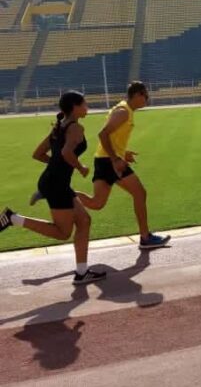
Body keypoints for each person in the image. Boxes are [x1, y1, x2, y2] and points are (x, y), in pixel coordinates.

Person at [1, 91, 104, 285]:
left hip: (54, 182)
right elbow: (66, 152)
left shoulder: (59, 127)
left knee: (84, 220)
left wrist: (56, 167)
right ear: (75, 106)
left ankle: (82, 272)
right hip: (56, 184)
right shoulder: (75, 128)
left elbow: (38, 154)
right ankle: (13, 219)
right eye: (84, 103)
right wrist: (80, 167)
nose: (87, 106)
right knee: (62, 232)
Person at [75, 81, 170, 250]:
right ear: (137, 95)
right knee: (140, 193)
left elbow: (112, 138)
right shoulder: (123, 112)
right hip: (108, 161)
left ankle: (61, 194)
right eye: (145, 96)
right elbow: (103, 134)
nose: (147, 99)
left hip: (103, 159)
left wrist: (123, 153)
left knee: (97, 203)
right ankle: (145, 237)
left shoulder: (126, 110)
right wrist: (115, 159)